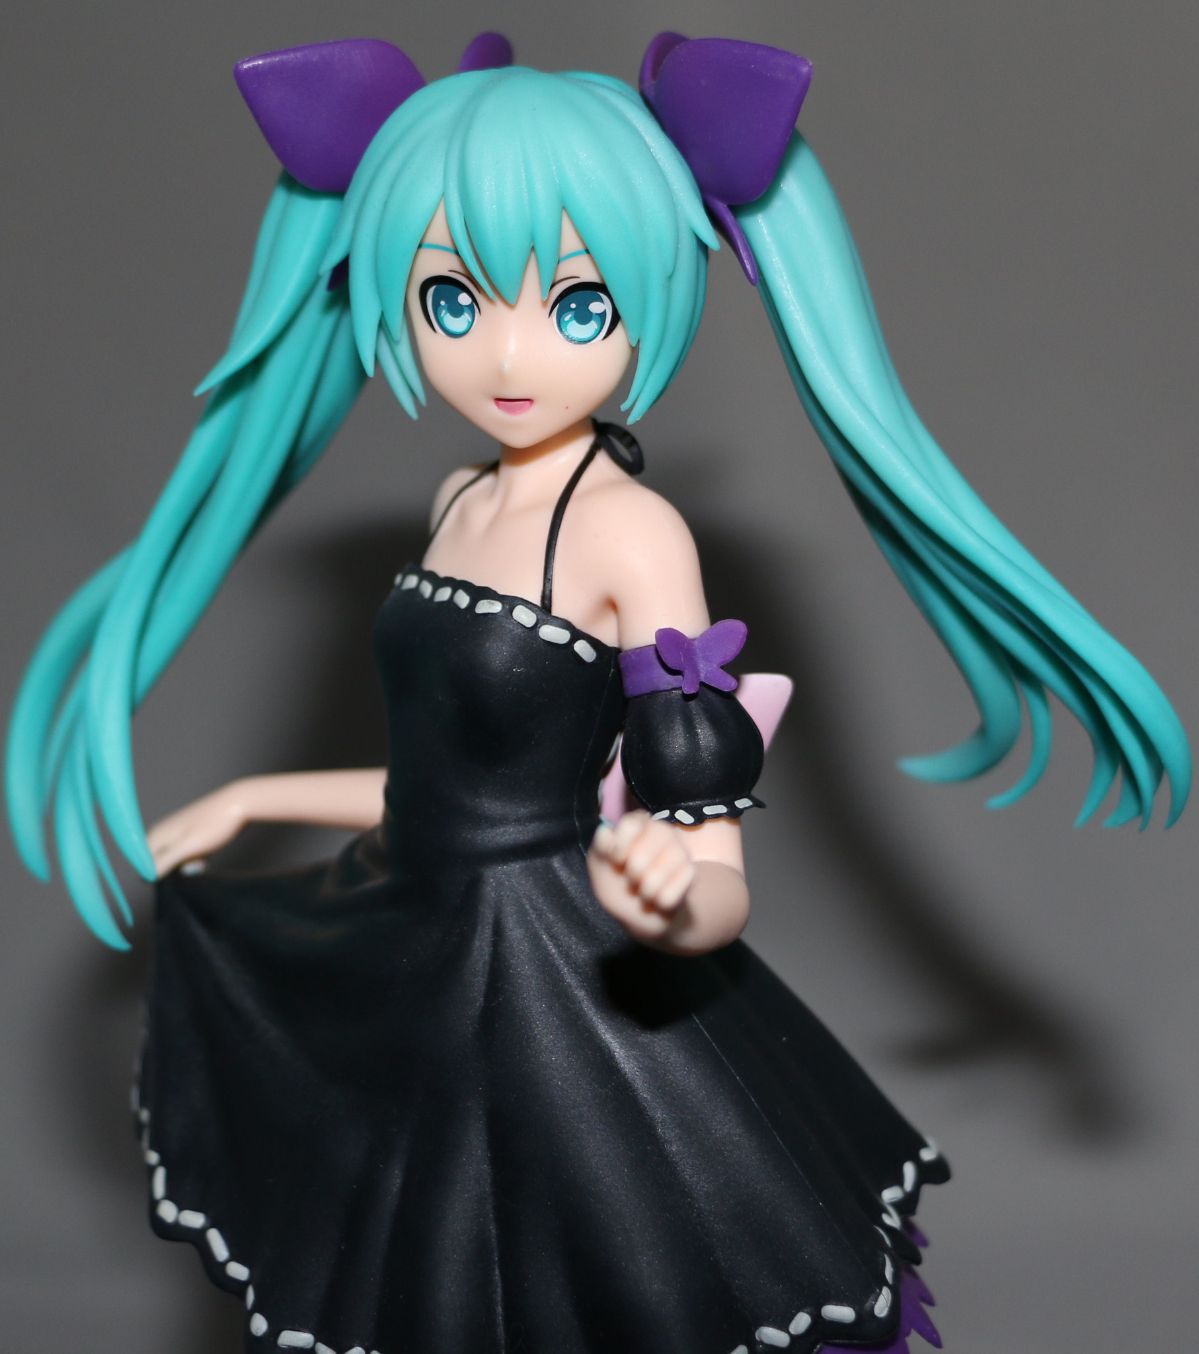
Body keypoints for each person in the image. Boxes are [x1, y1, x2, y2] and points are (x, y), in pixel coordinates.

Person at [6, 32, 1188, 1354]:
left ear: (650, 299)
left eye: (576, 306)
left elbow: (708, 849)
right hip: (418, 948)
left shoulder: (629, 534)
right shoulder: (458, 501)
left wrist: (683, 906)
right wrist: (258, 795)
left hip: (553, 989)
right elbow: (451, 789)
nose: (507, 353)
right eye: (453, 299)